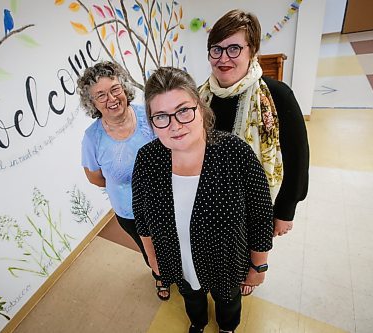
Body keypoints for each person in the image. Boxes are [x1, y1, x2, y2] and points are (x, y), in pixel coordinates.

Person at [133, 67, 273, 333]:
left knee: (228, 302)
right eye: (161, 116)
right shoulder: (147, 160)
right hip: (177, 259)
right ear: (152, 122)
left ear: (200, 107)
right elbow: (141, 217)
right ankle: (198, 322)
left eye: (183, 110)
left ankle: (227, 327)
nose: (175, 125)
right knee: (192, 299)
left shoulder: (234, 152)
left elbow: (261, 214)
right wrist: (154, 260)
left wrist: (259, 264)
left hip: (227, 261)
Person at [199, 10, 309, 244]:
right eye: (216, 49)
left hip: (255, 206)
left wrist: (285, 211)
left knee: (248, 255)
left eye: (234, 48)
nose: (223, 58)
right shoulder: (201, 97)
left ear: (253, 50)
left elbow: (297, 156)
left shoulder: (277, 95)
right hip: (211, 201)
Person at [77, 61, 169, 301]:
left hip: (167, 199)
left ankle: (183, 274)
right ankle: (160, 276)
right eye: (100, 95)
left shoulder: (148, 115)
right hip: (129, 210)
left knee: (174, 240)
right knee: (148, 249)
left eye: (114, 89)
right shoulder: (92, 138)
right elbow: (96, 178)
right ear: (93, 103)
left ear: (124, 88)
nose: (111, 99)